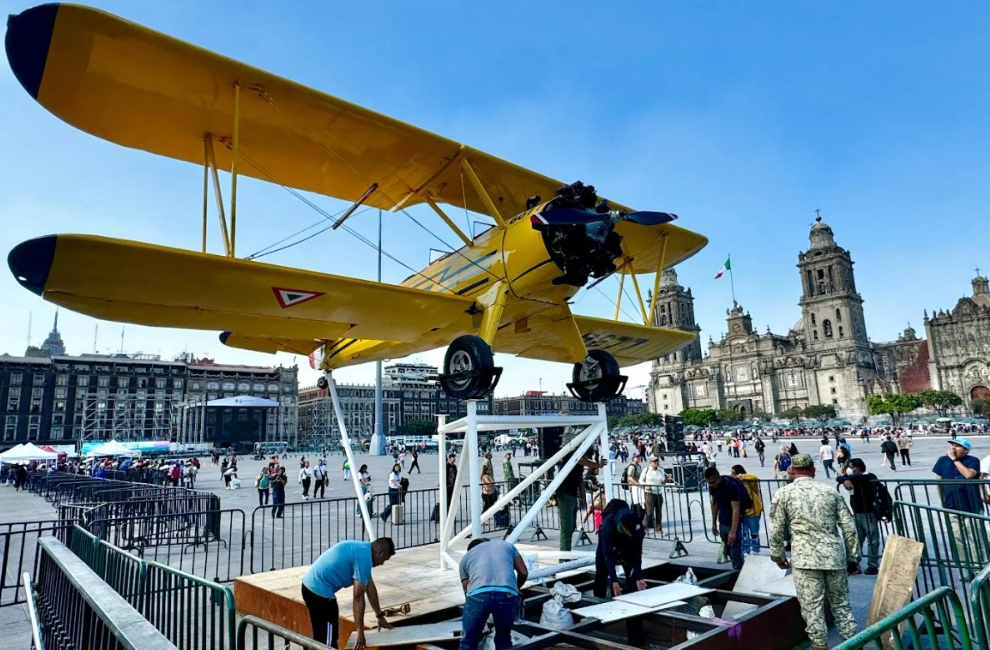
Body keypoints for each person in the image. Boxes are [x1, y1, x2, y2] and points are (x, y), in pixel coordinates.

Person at [770, 454, 859, 650]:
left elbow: (775, 528)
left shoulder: (783, 494)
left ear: (792, 470)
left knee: (812, 609)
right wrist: (853, 557)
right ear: (813, 469)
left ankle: (820, 645)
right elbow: (849, 527)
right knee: (842, 605)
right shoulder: (829, 492)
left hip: (805, 559)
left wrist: (778, 555)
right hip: (834, 556)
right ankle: (853, 644)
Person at [301, 538, 396, 649]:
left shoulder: (363, 549)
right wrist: (360, 632)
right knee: (328, 643)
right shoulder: (364, 558)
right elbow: (358, 597)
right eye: (384, 559)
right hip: (320, 593)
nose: (382, 564)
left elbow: (370, 588)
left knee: (320, 636)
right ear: (380, 552)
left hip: (308, 587)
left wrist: (379, 615)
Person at [457, 538, 528, 650]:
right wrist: (516, 589)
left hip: (478, 594)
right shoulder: (507, 546)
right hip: (507, 593)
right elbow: (523, 572)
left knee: (468, 641)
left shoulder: (466, 558)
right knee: (504, 638)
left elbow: (467, 589)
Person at [932, 438, 983, 568]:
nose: (953, 448)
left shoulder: (973, 461)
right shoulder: (942, 461)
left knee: (975, 539)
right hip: (951, 507)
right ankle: (965, 568)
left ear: (966, 450)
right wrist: (943, 501)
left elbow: (968, 475)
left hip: (972, 507)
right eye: (953, 445)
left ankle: (977, 567)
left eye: (958, 446)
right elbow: (939, 482)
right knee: (957, 539)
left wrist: (955, 460)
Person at [593, 499, 647, 598]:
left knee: (631, 567)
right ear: (624, 528)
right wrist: (614, 580)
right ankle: (598, 598)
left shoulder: (638, 528)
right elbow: (608, 556)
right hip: (609, 540)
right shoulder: (608, 527)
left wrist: (639, 575)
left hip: (626, 542)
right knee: (601, 567)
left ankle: (633, 594)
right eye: (632, 534)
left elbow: (638, 552)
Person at [837, 458, 881, 574]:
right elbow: (838, 478)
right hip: (857, 513)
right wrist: (845, 479)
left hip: (869, 513)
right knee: (856, 540)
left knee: (873, 540)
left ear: (858, 467)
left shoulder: (869, 476)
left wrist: (846, 479)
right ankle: (855, 564)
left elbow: (864, 478)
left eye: (851, 467)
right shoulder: (852, 478)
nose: (850, 469)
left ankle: (872, 564)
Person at [556, 451, 606, 551]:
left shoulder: (580, 463)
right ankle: (564, 555)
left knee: (571, 526)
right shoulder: (571, 455)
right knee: (566, 528)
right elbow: (581, 460)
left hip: (572, 495)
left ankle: (566, 552)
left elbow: (580, 480)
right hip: (564, 494)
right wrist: (598, 465)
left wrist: (582, 498)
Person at [704, 467, 749, 570]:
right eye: (709, 483)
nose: (711, 485)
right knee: (728, 547)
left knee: (735, 548)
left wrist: (733, 531)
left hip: (735, 520)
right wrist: (714, 523)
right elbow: (715, 504)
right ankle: (736, 564)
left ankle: (738, 570)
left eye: (713, 482)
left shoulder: (731, 486)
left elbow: (736, 509)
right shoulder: (713, 486)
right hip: (723, 520)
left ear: (718, 477)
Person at [731, 465, 764, 556]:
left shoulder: (748, 480)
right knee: (744, 533)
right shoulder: (734, 484)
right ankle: (746, 549)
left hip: (753, 511)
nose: (732, 475)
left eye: (734, 473)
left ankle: (756, 549)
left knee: (754, 532)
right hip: (742, 512)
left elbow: (754, 477)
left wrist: (740, 476)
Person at [640, 456, 667, 535]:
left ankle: (658, 529)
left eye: (657, 461)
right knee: (649, 512)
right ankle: (643, 527)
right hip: (650, 493)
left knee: (659, 512)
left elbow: (662, 480)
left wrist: (664, 481)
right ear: (650, 463)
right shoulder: (646, 470)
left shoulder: (660, 470)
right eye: (654, 461)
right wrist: (646, 485)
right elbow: (641, 480)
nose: (656, 463)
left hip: (658, 493)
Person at [623, 452, 645, 521]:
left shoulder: (638, 465)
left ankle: (638, 518)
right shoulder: (632, 466)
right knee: (636, 503)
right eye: (636, 457)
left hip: (638, 488)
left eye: (639, 457)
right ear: (633, 458)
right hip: (634, 487)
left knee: (639, 503)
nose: (638, 458)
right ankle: (635, 518)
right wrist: (638, 484)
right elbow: (630, 478)